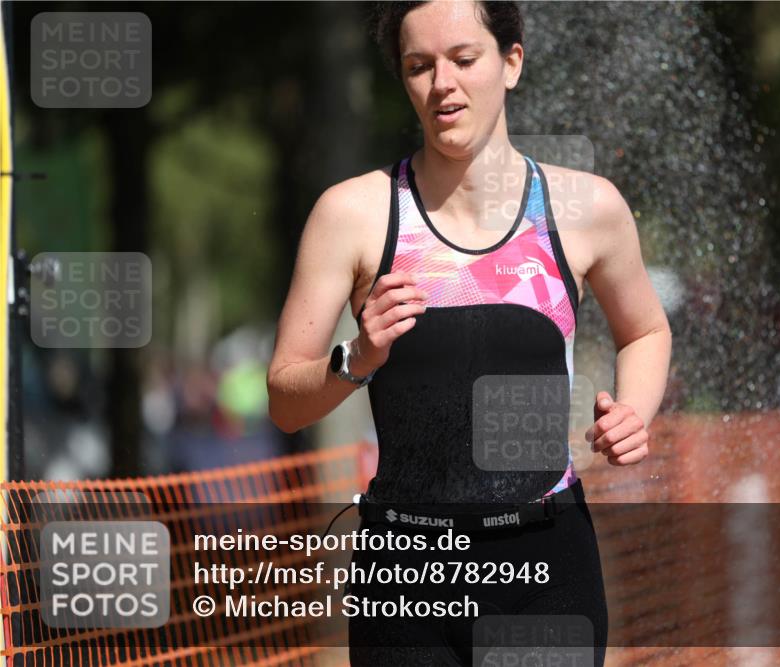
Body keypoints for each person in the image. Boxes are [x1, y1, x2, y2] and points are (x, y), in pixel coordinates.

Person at [267, 1, 671, 664]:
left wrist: (634, 411)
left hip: (544, 567)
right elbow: (285, 400)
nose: (442, 84)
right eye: (419, 66)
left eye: (463, 59)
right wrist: (357, 356)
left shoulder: (584, 208)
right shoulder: (353, 214)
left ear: (511, 62)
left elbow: (646, 330)